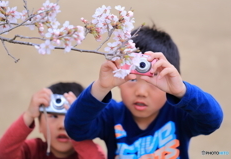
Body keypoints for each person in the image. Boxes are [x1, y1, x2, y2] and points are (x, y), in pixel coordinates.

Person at [64, 26, 223, 159]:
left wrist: (181, 90)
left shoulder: (179, 114)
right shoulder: (111, 115)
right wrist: (101, 87)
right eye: (132, 79)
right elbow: (75, 129)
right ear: (119, 79)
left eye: (153, 79)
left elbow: (212, 120)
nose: (141, 92)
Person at [0, 82, 106, 159]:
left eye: (70, 118)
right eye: (53, 116)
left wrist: (78, 130)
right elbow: (4, 153)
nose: (62, 125)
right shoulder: (32, 150)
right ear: (40, 126)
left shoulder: (89, 151)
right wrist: (29, 115)